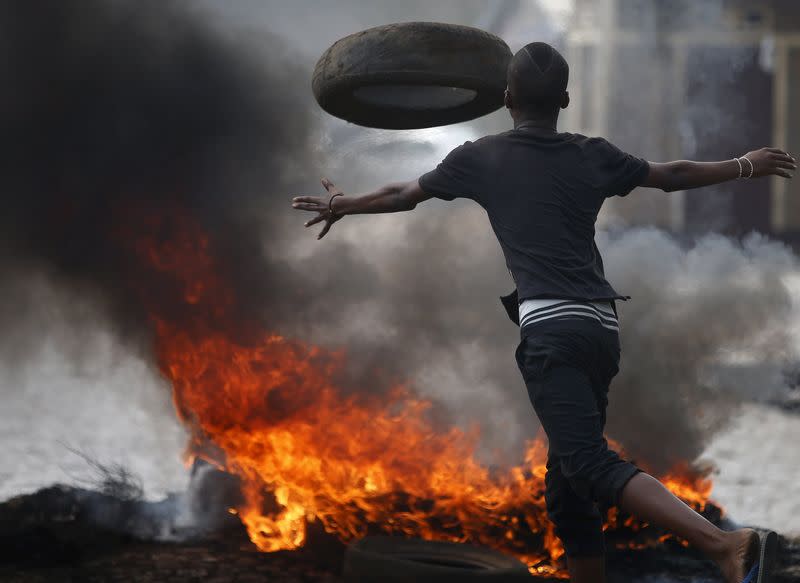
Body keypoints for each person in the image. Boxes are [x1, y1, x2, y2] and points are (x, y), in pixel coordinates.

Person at [292, 42, 791, 583]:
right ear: (568, 99)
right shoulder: (592, 153)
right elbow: (671, 173)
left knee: (589, 464)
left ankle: (723, 545)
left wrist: (345, 205)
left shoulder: (481, 157)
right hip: (600, 330)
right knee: (569, 496)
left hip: (552, 331)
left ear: (505, 99)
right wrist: (744, 165)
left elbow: (403, 194)